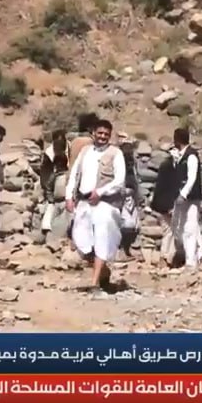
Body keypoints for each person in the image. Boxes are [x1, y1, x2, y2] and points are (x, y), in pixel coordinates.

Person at [65, 119, 126, 291]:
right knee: (81, 241)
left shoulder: (116, 153)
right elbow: (74, 174)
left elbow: (119, 180)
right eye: (100, 133)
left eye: (106, 134)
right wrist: (69, 197)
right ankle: (103, 272)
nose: (102, 137)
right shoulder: (85, 152)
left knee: (102, 239)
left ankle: (94, 283)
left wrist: (100, 192)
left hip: (105, 204)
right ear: (93, 133)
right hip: (84, 203)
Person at [170, 128, 202, 270]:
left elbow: (192, 178)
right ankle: (201, 253)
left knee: (189, 228)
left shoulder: (191, 156)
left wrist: (183, 194)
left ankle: (191, 261)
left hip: (191, 198)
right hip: (182, 197)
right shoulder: (180, 156)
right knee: (182, 227)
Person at [40, 129, 70, 233]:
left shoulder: (70, 147)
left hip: (66, 194)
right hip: (54, 191)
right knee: (50, 212)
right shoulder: (49, 153)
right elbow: (45, 174)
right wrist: (49, 195)